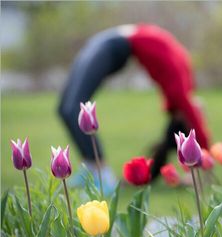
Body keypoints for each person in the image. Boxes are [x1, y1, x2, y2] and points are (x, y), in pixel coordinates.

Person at [58, 24, 210, 193]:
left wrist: (200, 159)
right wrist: (204, 154)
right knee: (64, 109)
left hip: (113, 45)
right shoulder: (183, 91)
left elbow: (193, 118)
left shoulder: (179, 92)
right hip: (112, 41)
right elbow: (195, 122)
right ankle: (91, 167)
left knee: (73, 109)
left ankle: (103, 175)